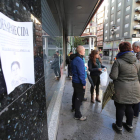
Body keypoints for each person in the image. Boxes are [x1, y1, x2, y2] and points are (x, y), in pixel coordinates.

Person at [110, 42, 140, 134]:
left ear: (120, 49)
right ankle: (129, 125)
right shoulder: (137, 61)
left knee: (120, 107)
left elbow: (114, 76)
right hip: (135, 87)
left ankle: (119, 127)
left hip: (121, 88)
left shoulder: (118, 61)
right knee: (130, 106)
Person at [70, 46, 86, 121]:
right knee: (78, 98)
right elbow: (81, 73)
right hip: (78, 81)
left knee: (75, 95)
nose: (84, 52)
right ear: (80, 51)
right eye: (84, 51)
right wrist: (84, 83)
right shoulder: (79, 60)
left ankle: (73, 107)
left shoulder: (75, 58)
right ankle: (78, 115)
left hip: (75, 80)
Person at [132, 41, 140, 118]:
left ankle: (135, 113)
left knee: (137, 96)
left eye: (133, 47)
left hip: (138, 79)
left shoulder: (139, 56)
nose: (132, 49)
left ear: (137, 47)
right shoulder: (138, 54)